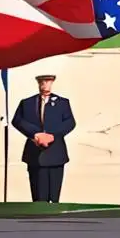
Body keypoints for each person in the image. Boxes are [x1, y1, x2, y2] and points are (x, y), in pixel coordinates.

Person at [11, 74, 76, 202]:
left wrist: (52, 135)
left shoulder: (62, 103)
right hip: (35, 155)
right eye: (42, 82)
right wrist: (35, 134)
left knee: (54, 196)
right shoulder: (27, 103)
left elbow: (70, 122)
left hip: (56, 154)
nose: (45, 85)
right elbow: (17, 120)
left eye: (48, 82)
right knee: (38, 196)